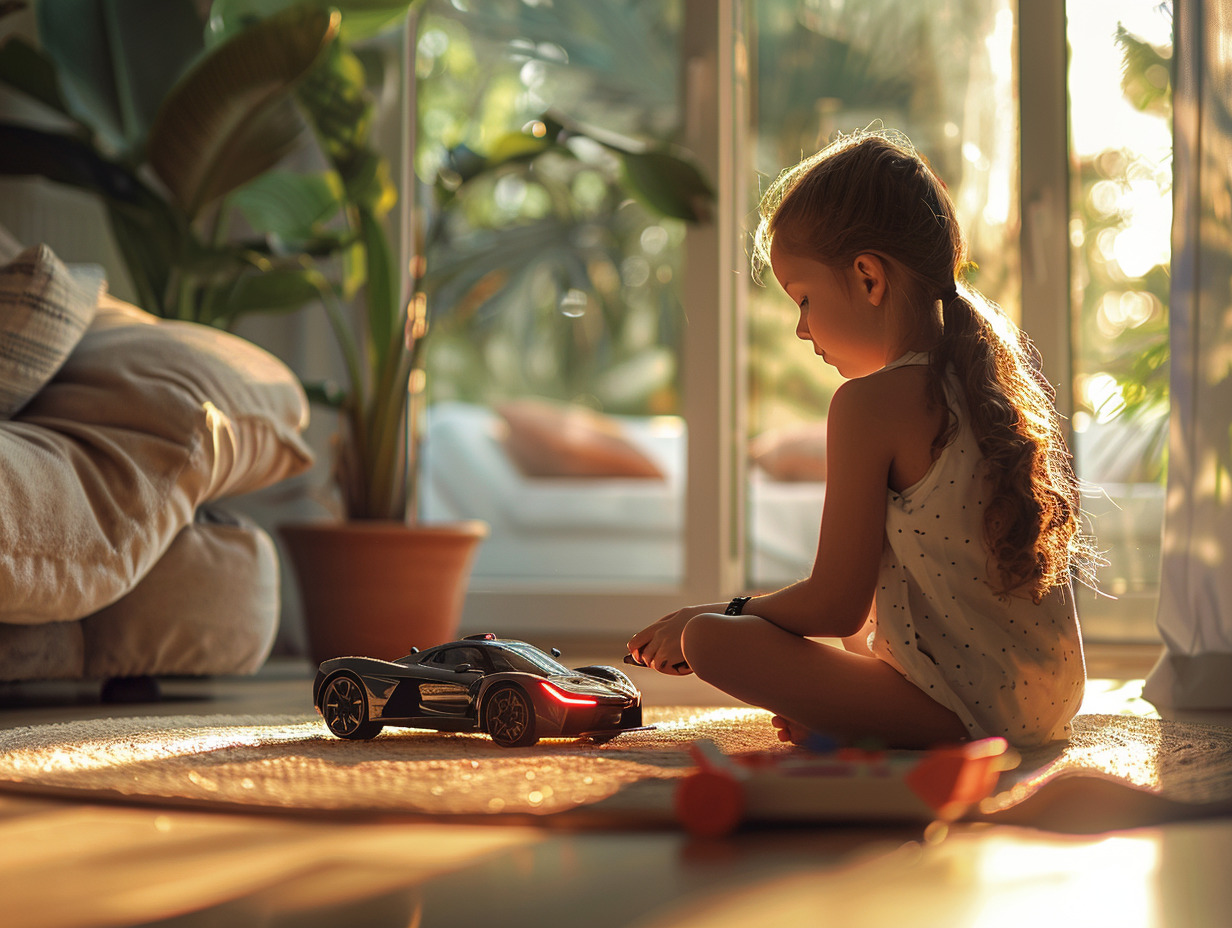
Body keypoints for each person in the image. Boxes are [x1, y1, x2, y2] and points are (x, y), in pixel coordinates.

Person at [627, 128, 1092, 750]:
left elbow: (833, 605)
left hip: (965, 715)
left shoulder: (868, 405)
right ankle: (861, 715)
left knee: (708, 640)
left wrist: (723, 611)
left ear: (869, 278)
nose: (799, 329)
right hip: (1047, 698)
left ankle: (876, 723)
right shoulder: (989, 378)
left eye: (803, 299)